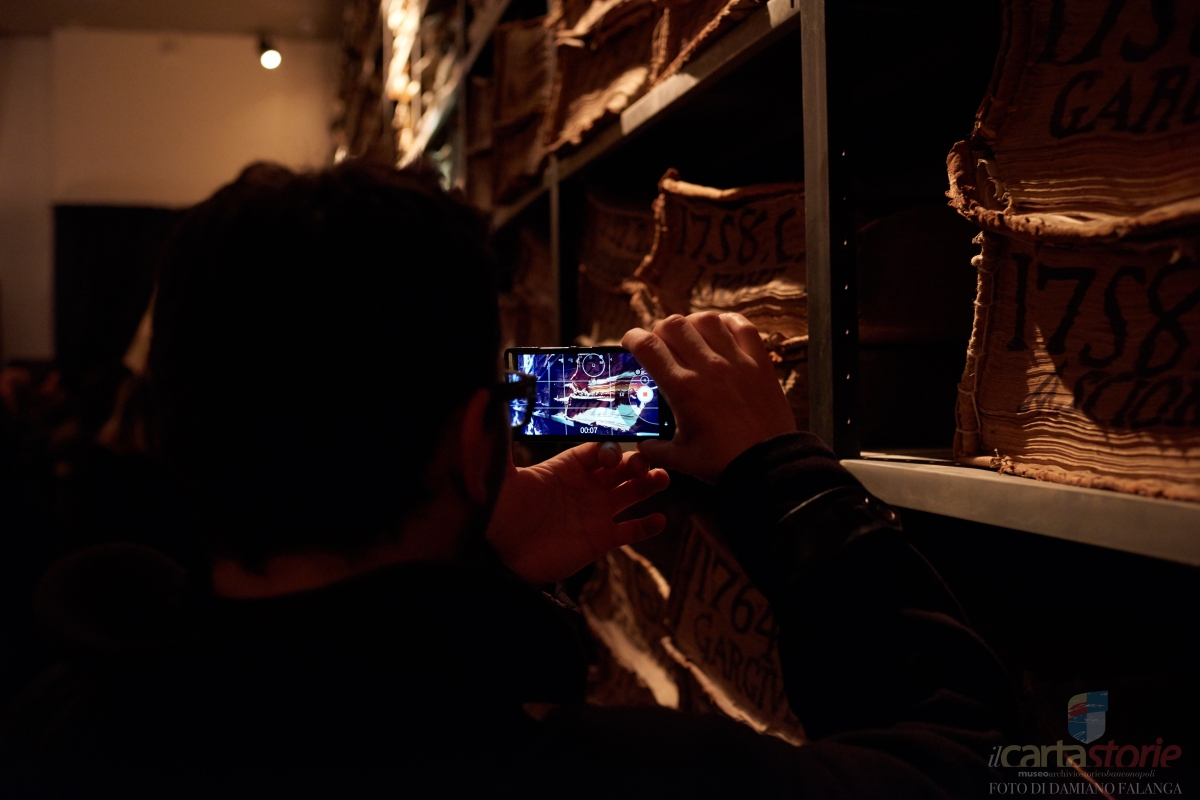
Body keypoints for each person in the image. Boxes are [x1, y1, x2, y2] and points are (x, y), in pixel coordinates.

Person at [0, 161, 1013, 798]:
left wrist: (473, 576)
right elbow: (988, 761)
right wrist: (779, 474)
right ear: (478, 441)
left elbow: (312, 673)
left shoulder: (59, 721)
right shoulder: (607, 778)